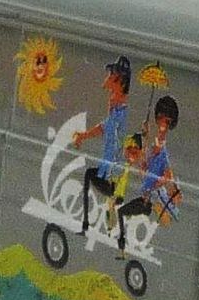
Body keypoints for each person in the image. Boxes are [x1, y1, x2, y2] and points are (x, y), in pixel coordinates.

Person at [116, 95, 182, 256]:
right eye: (160, 118)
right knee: (123, 212)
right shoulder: (155, 149)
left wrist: (158, 186)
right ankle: (124, 245)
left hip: (149, 199)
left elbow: (165, 175)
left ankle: (122, 246)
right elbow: (145, 163)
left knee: (122, 212)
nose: (161, 124)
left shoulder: (161, 151)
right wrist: (145, 135)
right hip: (148, 195)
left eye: (165, 120)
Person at [72, 55, 131, 235]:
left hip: (113, 176)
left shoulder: (120, 111)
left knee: (89, 175)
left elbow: (108, 130)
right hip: (110, 172)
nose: (107, 79)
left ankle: (87, 225)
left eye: (112, 75)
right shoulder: (117, 108)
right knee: (91, 176)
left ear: (119, 80)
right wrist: (83, 135)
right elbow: (105, 127)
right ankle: (97, 222)